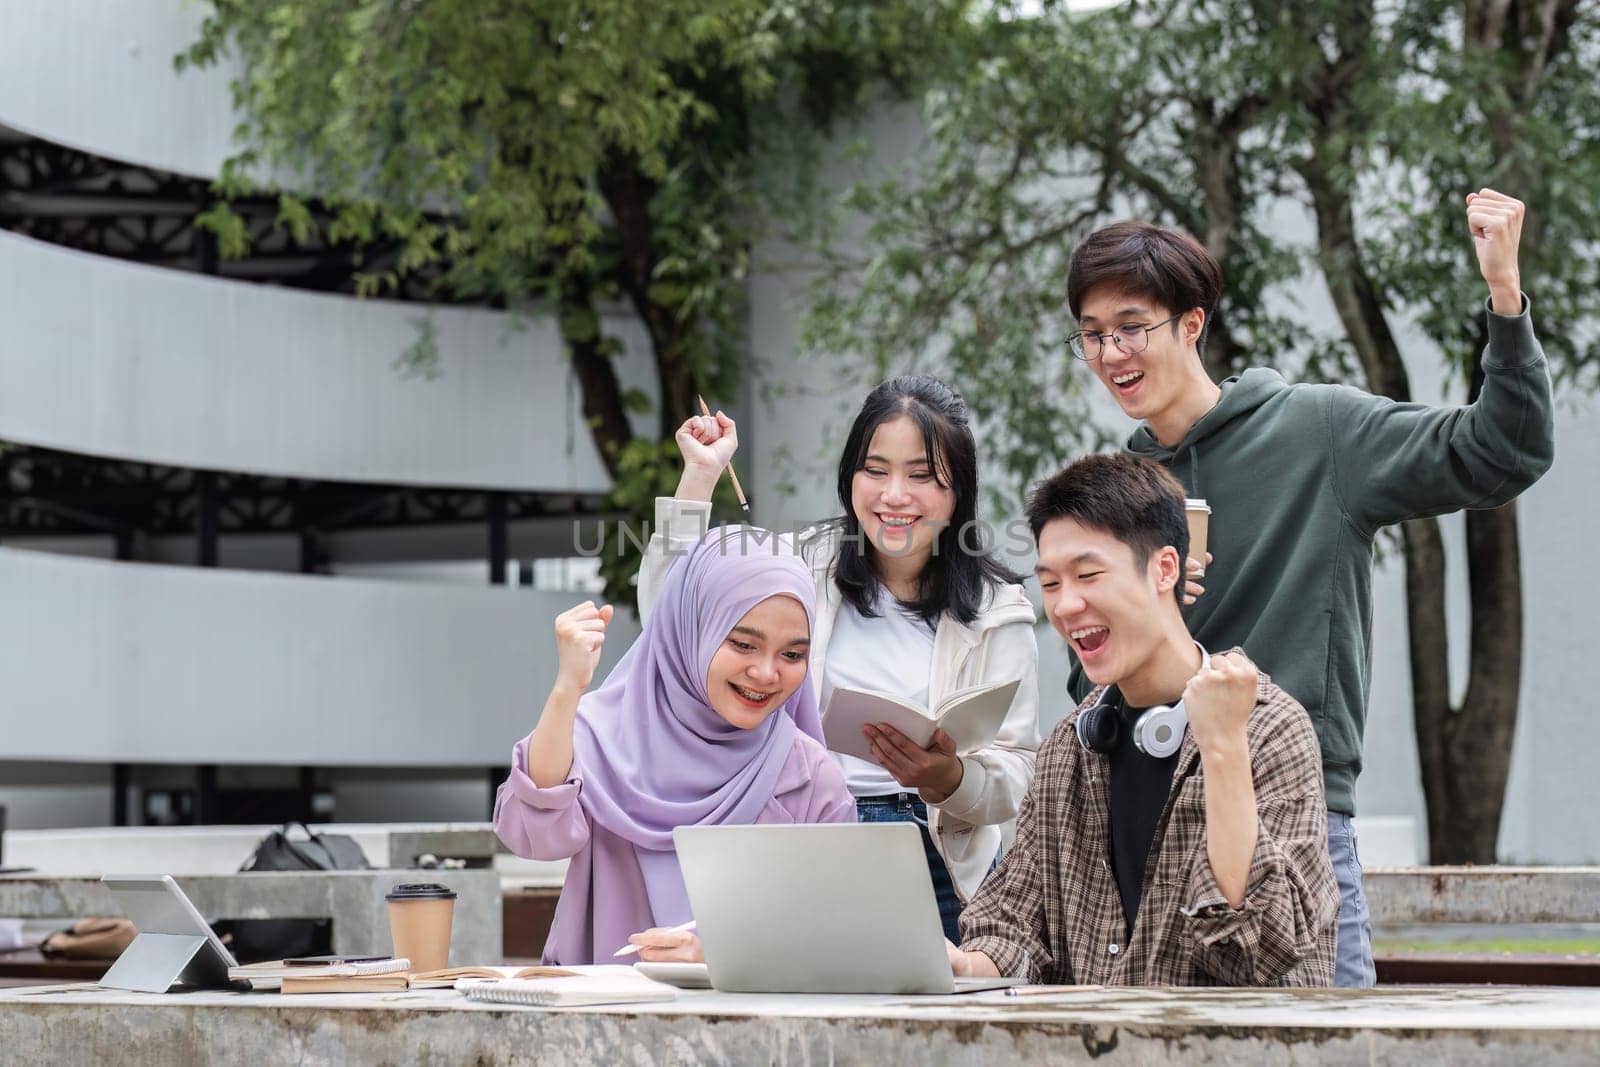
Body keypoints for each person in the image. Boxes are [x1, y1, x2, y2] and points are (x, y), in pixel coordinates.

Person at [1062, 190, 1555, 985]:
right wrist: (1150, 621)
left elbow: (1504, 450)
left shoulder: (1318, 432)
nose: (1113, 351)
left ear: (1192, 324)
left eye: (1132, 326)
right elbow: (1089, 685)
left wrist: (1503, 293)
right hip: (1147, 827)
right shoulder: (1116, 488)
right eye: (1092, 335)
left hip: (1297, 819)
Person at [642, 376, 1040, 942]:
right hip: (800, 835)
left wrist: (949, 779)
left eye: (922, 476)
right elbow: (673, 619)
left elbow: (1020, 774)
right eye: (875, 471)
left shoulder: (999, 610)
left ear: (958, 492)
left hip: (940, 858)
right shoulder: (798, 565)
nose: (894, 495)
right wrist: (701, 477)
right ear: (850, 476)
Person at [949, 453, 1338, 986]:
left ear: (1165, 569)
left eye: (1087, 575)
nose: (1064, 606)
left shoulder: (1269, 728)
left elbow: (1260, 951)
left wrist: (1223, 747)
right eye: (1052, 584)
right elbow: (1014, 925)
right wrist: (962, 964)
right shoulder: (1071, 746)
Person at [492, 526, 854, 965]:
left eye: (792, 655)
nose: (766, 673)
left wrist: (723, 955)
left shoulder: (810, 777)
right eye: (743, 644)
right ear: (690, 629)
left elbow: (832, 935)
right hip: (601, 1016)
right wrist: (568, 686)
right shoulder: (604, 737)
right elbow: (534, 836)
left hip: (748, 1023)